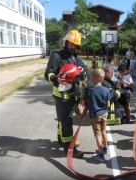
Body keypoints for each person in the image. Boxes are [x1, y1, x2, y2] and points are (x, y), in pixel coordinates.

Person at [44, 30, 88, 158]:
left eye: (75, 45)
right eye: (71, 44)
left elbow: (85, 71)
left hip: (73, 94)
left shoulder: (76, 57)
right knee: (67, 122)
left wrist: (82, 70)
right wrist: (55, 79)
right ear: (67, 42)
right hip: (61, 95)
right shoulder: (56, 56)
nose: (73, 47)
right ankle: (70, 148)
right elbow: (48, 73)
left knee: (62, 120)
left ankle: (61, 139)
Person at [82, 69, 111, 162]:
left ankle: (101, 154)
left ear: (93, 78)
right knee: (104, 132)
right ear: (102, 79)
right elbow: (108, 105)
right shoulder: (106, 90)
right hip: (104, 114)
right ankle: (105, 149)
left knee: (97, 134)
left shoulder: (89, 90)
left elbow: (83, 102)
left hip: (95, 115)